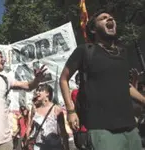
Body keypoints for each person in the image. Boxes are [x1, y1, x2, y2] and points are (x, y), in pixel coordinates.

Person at [60, 9, 145, 150]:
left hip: (130, 128)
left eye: (111, 17)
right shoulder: (85, 51)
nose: (110, 19)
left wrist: (143, 100)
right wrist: (70, 111)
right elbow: (63, 79)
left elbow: (126, 85)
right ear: (93, 29)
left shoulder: (122, 52)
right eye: (104, 18)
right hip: (102, 130)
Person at [27, 83, 69, 150]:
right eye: (37, 90)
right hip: (38, 146)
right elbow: (30, 127)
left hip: (54, 146)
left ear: (47, 93)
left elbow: (62, 131)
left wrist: (66, 147)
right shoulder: (35, 110)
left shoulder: (56, 109)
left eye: (40, 90)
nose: (37, 92)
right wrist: (28, 141)